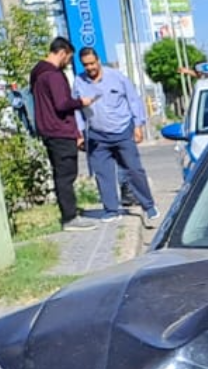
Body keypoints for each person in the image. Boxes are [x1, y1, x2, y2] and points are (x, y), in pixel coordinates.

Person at [72, 46, 160, 228]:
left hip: (122, 131)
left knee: (134, 169)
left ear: (98, 61)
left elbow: (133, 100)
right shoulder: (79, 82)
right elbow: (76, 110)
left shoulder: (117, 77)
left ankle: (148, 206)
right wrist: (79, 134)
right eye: (85, 65)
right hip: (96, 135)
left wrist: (138, 126)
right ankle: (111, 209)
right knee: (103, 174)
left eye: (92, 63)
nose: (89, 68)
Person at [27, 37, 98, 229]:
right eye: (68, 58)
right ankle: (70, 217)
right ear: (62, 53)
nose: (68, 62)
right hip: (59, 130)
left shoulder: (37, 73)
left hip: (48, 130)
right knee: (66, 175)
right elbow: (62, 104)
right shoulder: (54, 75)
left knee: (61, 174)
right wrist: (81, 102)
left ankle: (69, 214)